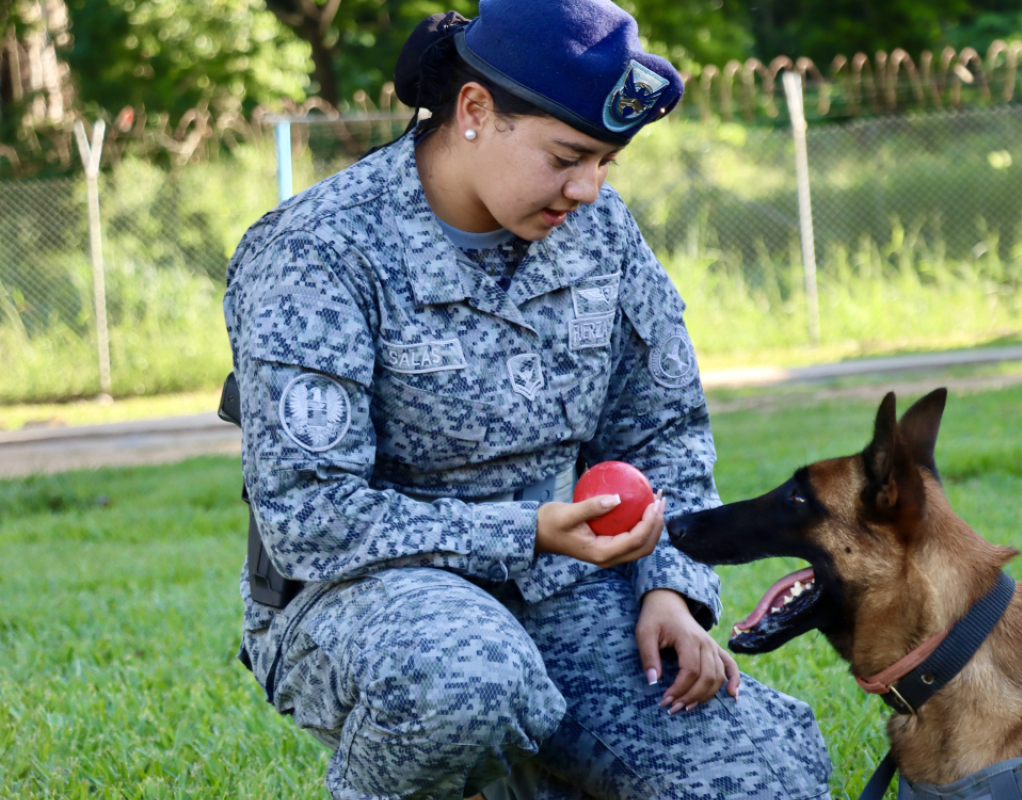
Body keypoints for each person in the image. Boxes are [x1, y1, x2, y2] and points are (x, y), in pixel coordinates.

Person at [222, 1, 833, 798]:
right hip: (368, 598)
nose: (587, 188)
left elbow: (663, 428)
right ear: (475, 111)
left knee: (762, 778)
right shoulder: (322, 251)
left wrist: (670, 586)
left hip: (565, 588)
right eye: (568, 156)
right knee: (467, 685)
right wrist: (528, 532)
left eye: (607, 162)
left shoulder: (598, 230)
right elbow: (311, 518)